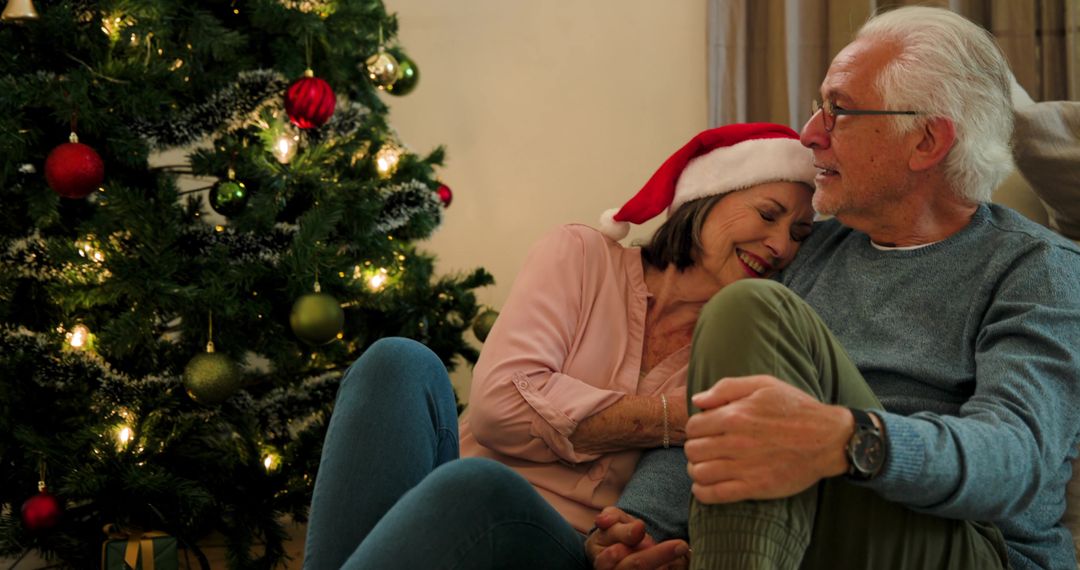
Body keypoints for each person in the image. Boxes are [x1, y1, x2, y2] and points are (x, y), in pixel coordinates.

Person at [589, 6, 1080, 570]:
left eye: (839, 110)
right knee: (482, 491)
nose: (809, 135)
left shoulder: (1038, 269)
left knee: (751, 309)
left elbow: (1016, 463)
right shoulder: (809, 249)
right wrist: (644, 525)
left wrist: (847, 440)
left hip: (965, 544)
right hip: (798, 531)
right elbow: (729, 418)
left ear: (925, 141)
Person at [300, 122, 817, 569]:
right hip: (446, 497)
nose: (780, 246)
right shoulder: (582, 256)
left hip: (565, 546)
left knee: (479, 484)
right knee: (398, 360)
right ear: (704, 197)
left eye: (799, 234)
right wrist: (676, 417)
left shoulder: (739, 347)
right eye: (768, 214)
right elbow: (498, 410)